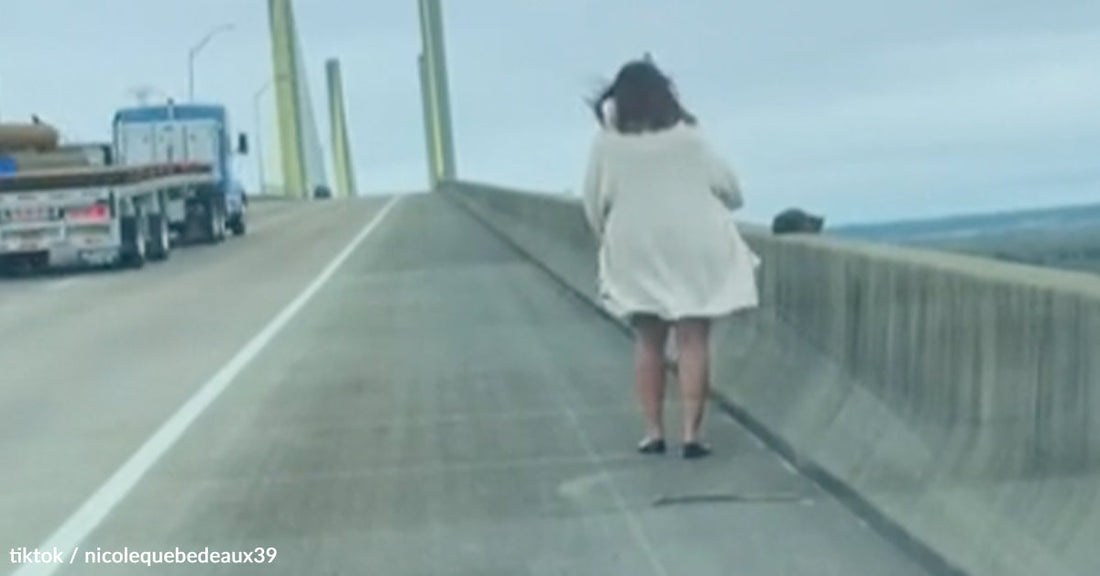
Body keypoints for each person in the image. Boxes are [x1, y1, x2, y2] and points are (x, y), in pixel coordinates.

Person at [581, 58, 759, 460]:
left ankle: (653, 432)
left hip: (636, 245)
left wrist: (607, 239)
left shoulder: (606, 144)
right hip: (695, 243)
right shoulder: (690, 138)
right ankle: (693, 434)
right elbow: (732, 191)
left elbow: (593, 205)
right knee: (693, 338)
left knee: (648, 340)